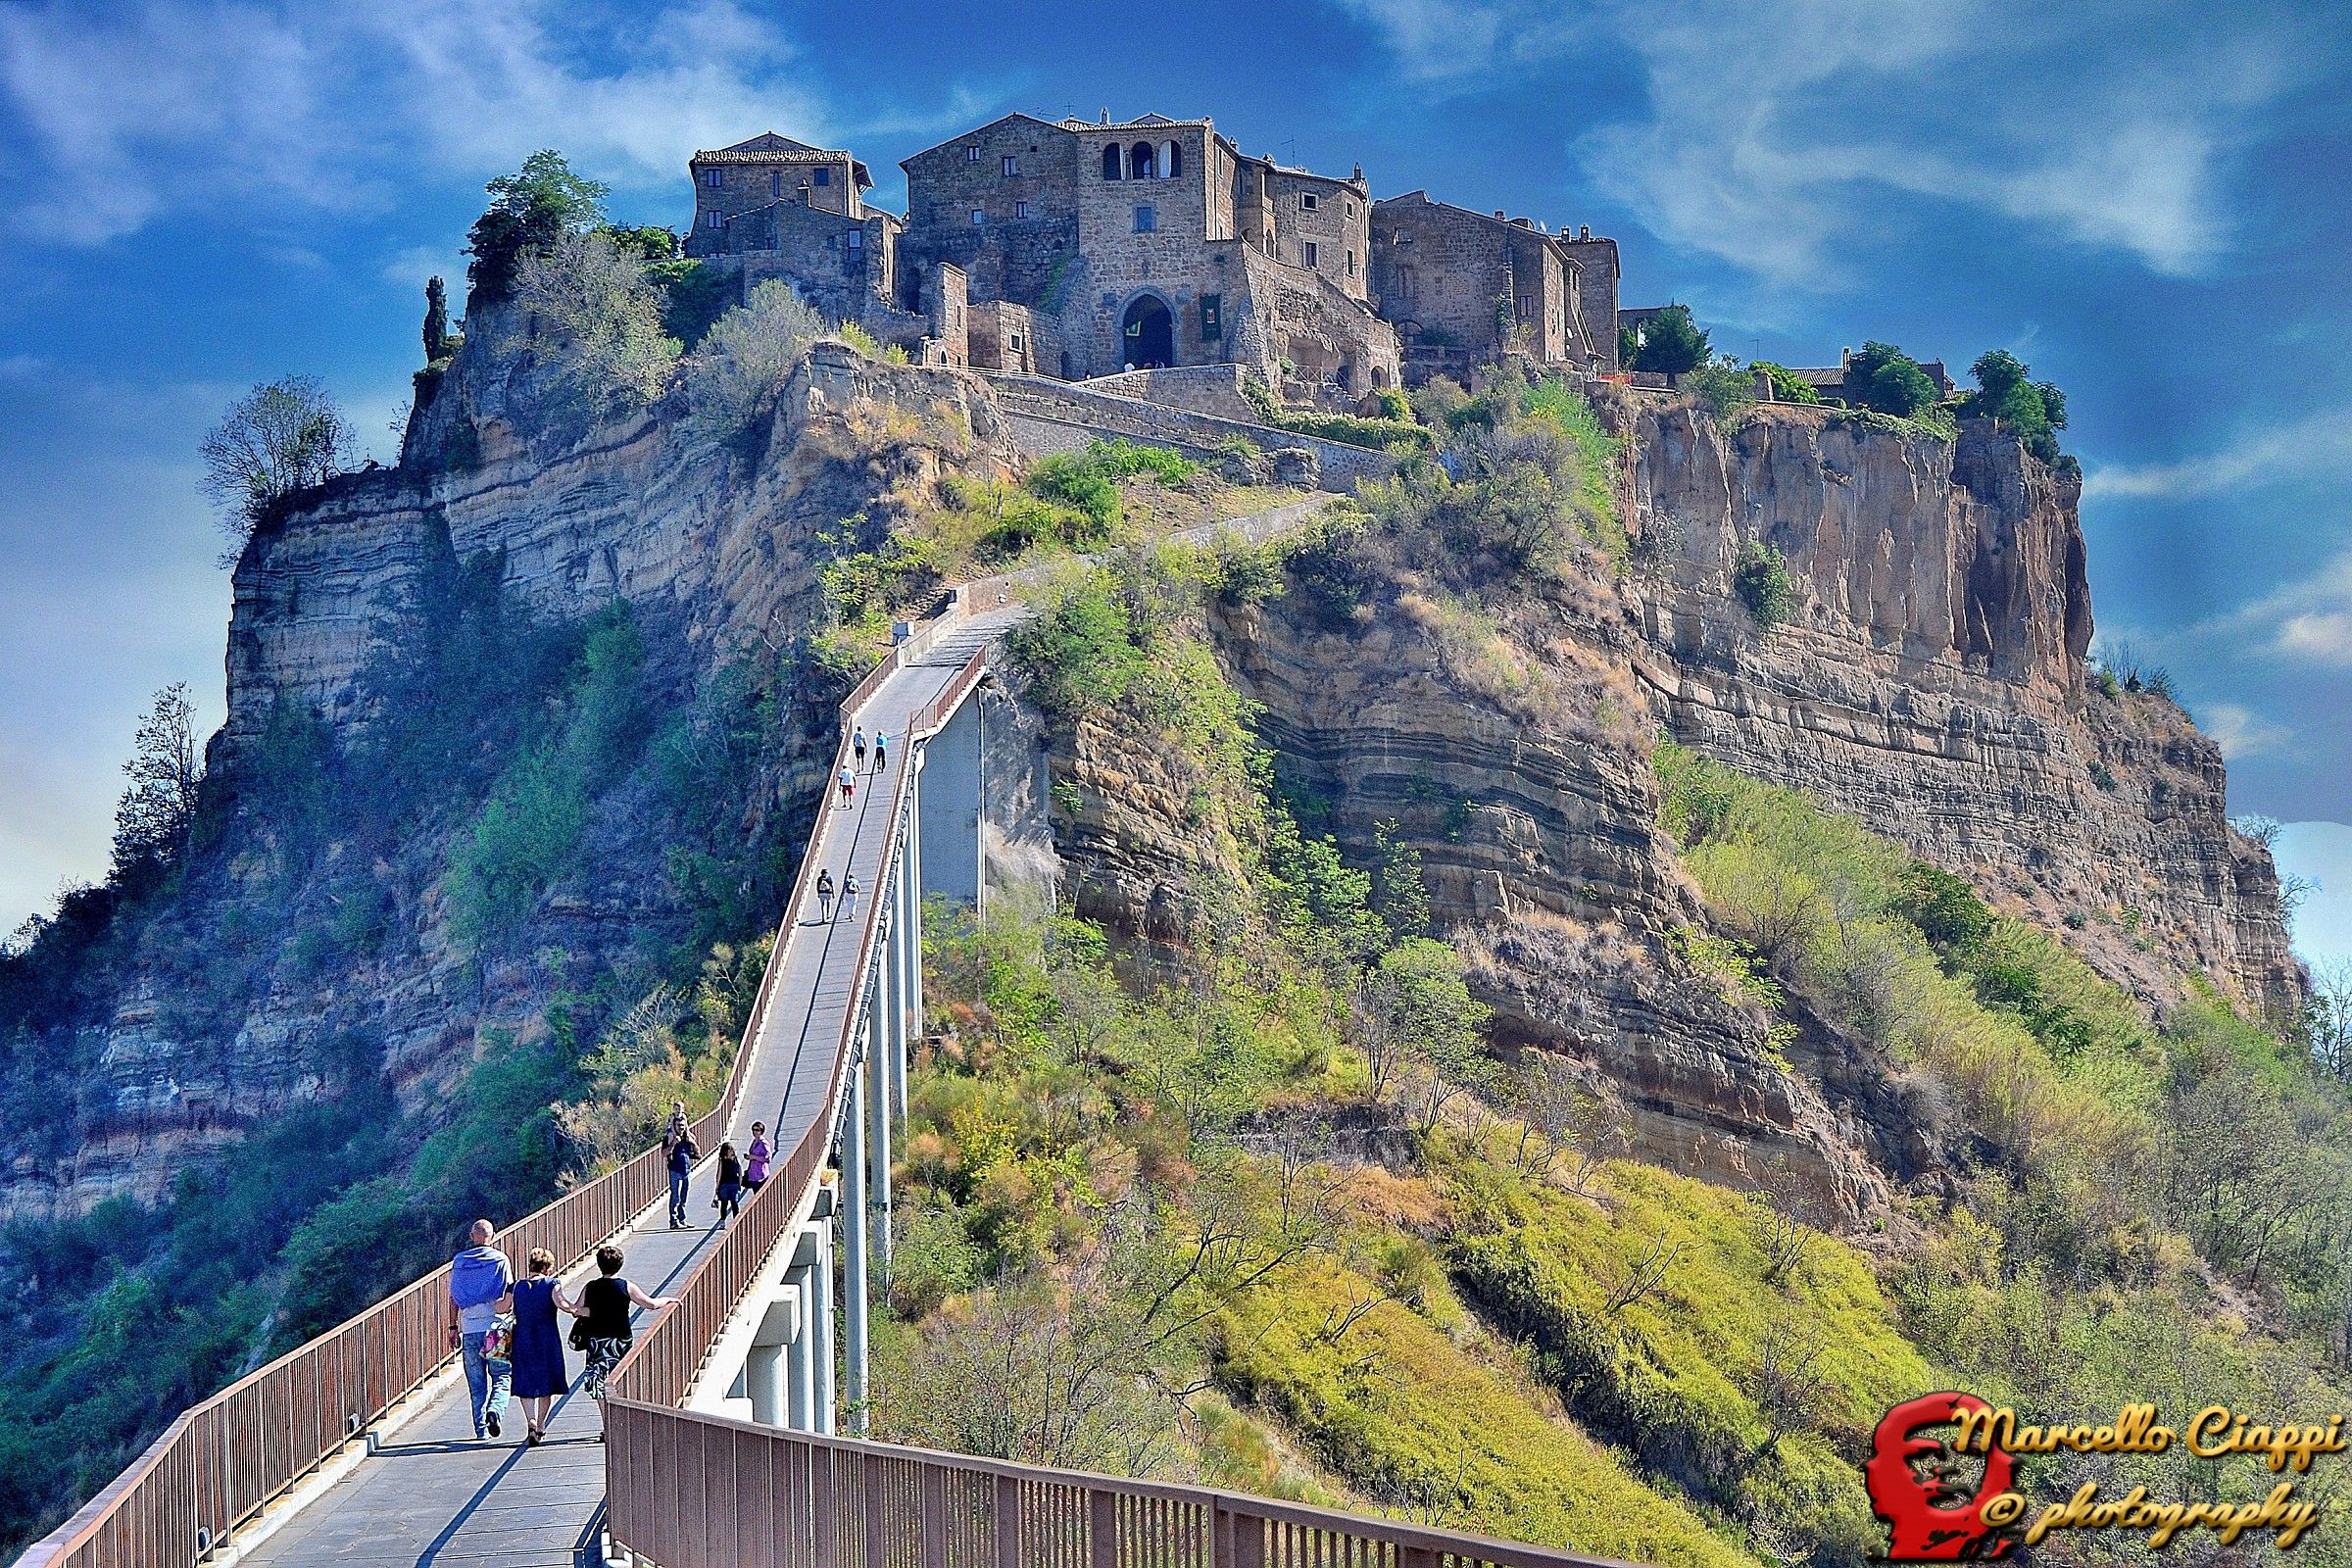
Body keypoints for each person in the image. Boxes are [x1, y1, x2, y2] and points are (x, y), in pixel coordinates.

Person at [561, 1245, 677, 1430]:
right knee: (620, 1380)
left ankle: (607, 1424)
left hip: (597, 1343)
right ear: (620, 1264)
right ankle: (622, 1422)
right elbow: (651, 1304)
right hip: (621, 1341)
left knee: (599, 1383)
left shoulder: (591, 1287)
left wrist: (565, 1301)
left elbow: (576, 1310)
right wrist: (668, 1299)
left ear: (599, 1265)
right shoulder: (626, 1286)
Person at [448, 1219, 514, 1441]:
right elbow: (507, 1294)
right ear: (492, 1236)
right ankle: (495, 1410)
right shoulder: (500, 1260)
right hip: (496, 1329)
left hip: (470, 1330)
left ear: (471, 1235)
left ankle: (481, 1430)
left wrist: (453, 1327)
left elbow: (454, 1297)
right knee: (502, 1376)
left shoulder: (459, 1262)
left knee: (476, 1385)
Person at [508, 1247, 569, 1445]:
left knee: (525, 1381)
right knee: (546, 1385)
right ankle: (541, 1425)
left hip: (522, 1338)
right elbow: (563, 1305)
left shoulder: (516, 1286)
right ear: (548, 1268)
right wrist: (580, 1310)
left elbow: (501, 1306)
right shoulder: (552, 1284)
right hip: (546, 1338)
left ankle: (531, 1420)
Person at [664, 1120, 700, 1228]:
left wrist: (692, 1142)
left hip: (686, 1171)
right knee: (675, 1196)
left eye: (683, 1125)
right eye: (679, 1125)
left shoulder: (687, 1138)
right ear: (674, 1126)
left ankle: (682, 1219)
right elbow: (664, 1153)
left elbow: (698, 1152)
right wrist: (673, 1144)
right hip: (675, 1170)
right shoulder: (669, 1138)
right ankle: (674, 1221)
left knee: (684, 1196)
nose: (681, 1128)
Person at [713, 1141, 744, 1220]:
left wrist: (739, 1184)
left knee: (731, 1203)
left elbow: (740, 1171)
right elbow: (719, 1173)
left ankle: (731, 1221)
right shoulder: (725, 1160)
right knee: (728, 1203)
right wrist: (717, 1187)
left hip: (730, 1184)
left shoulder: (731, 1160)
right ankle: (727, 1221)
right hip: (728, 1184)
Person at [744, 1122, 772, 1195]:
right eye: (753, 1130)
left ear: (761, 1131)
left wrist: (754, 1157)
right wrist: (749, 1157)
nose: (755, 1132)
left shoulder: (764, 1143)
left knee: (760, 1195)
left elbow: (768, 1158)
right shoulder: (754, 1141)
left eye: (757, 1130)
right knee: (755, 1194)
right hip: (753, 1173)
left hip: (761, 1174)